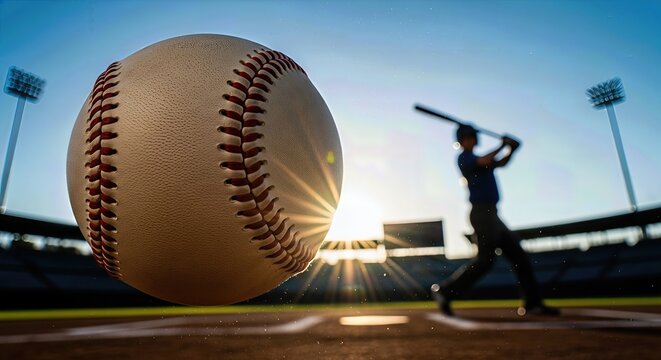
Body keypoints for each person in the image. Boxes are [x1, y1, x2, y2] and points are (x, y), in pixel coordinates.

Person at [430, 125, 559, 317]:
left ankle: (532, 303)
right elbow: (486, 159)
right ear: (462, 140)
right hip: (481, 213)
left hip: (493, 215)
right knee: (485, 260)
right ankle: (446, 292)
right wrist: (502, 144)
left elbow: (501, 163)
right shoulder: (465, 158)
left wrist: (511, 149)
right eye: (469, 137)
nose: (472, 139)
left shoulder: (482, 161)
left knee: (519, 257)